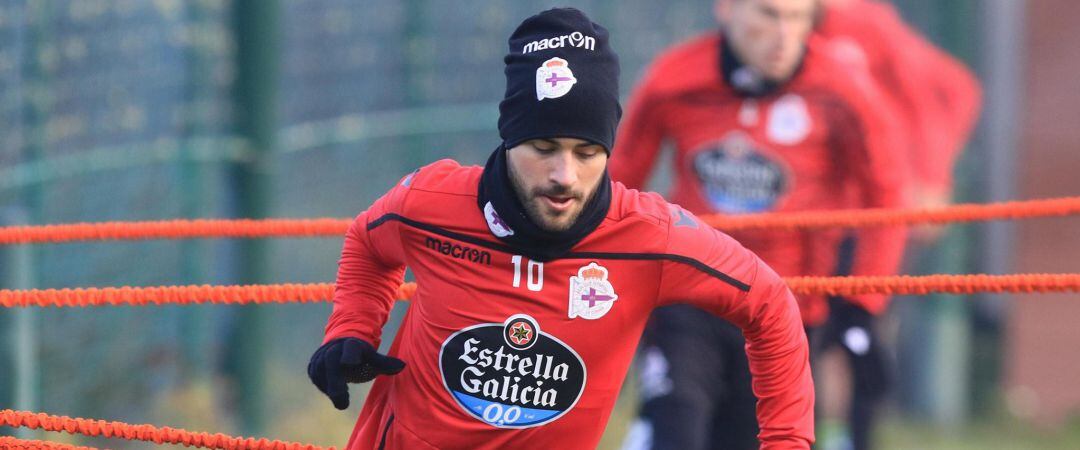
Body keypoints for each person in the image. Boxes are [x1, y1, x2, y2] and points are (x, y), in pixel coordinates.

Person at [307, 8, 814, 450]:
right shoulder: (429, 201)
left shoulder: (653, 237)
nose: (564, 175)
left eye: (588, 153)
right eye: (544, 149)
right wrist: (351, 328)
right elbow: (368, 243)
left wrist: (786, 442)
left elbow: (770, 303)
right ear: (509, 139)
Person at [609, 1, 908, 449]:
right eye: (769, 14)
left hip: (787, 305)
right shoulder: (672, 78)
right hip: (689, 295)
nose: (786, 33)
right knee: (676, 430)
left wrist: (864, 304)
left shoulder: (844, 88)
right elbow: (617, 182)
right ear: (727, 9)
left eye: (800, 17)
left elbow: (885, 193)